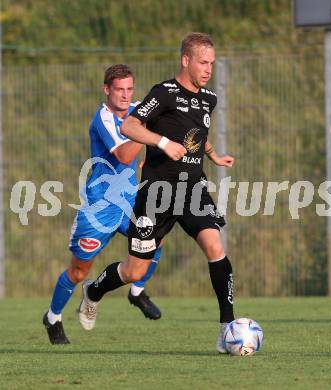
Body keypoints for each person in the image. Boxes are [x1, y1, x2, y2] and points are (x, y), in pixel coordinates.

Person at [78, 32, 236, 353]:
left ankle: (227, 328)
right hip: (156, 194)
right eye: (203, 62)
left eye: (212, 63)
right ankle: (93, 291)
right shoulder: (163, 93)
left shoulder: (209, 99)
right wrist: (163, 143)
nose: (208, 69)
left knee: (214, 245)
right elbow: (130, 127)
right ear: (185, 60)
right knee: (135, 270)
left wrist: (213, 154)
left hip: (192, 191)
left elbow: (196, 132)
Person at [43, 64, 162, 345]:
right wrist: (145, 128)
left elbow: (160, 130)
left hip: (130, 199)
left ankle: (136, 291)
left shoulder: (137, 110)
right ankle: (52, 317)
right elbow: (123, 154)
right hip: (101, 207)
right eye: (119, 89)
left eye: (129, 89)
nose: (125, 95)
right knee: (78, 271)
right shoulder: (103, 119)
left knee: (154, 240)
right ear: (106, 89)